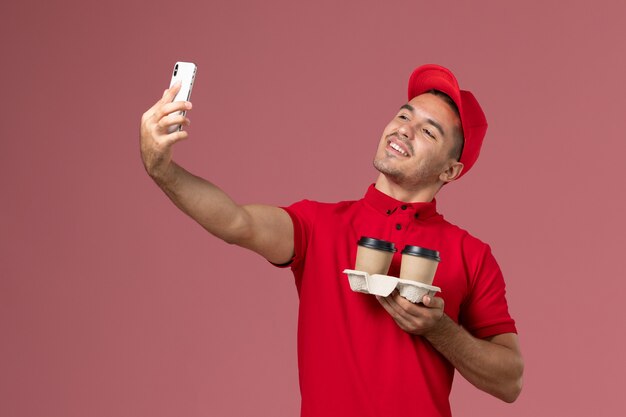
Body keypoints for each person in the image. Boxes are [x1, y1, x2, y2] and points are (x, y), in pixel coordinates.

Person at [139, 64, 524, 417]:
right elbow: (236, 221)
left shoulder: (472, 255)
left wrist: (439, 329)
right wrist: (163, 170)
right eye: (404, 114)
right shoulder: (318, 224)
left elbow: (510, 381)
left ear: (451, 170)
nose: (404, 128)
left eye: (427, 130)